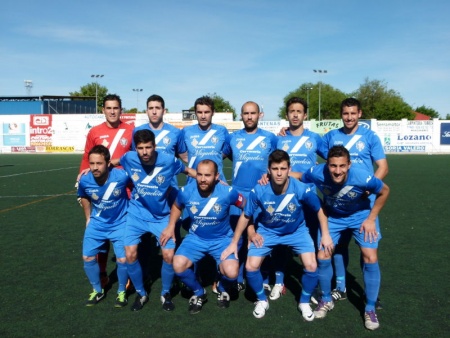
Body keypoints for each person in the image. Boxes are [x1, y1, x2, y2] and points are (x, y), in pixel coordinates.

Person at [221, 150, 333, 320]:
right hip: (268, 231)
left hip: (297, 231)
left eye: (283, 168)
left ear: (289, 169)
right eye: (275, 169)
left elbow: (320, 209)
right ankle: (261, 300)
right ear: (268, 170)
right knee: (251, 267)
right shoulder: (259, 190)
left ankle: (303, 301)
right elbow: (246, 216)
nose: (279, 173)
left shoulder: (301, 189)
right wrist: (234, 242)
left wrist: (325, 234)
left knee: (311, 266)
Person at [301, 145, 389, 330]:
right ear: (327, 164)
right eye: (333, 166)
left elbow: (385, 191)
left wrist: (371, 219)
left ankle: (370, 308)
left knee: (370, 257)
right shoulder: (318, 172)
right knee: (323, 255)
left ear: (349, 164)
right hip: (333, 217)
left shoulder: (362, 176)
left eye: (342, 166)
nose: (337, 171)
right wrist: (268, 176)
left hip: (361, 216)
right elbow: (298, 176)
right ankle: (325, 299)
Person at [113, 129, 196, 312]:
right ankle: (141, 293)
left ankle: (165, 292)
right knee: (130, 254)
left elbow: (189, 171)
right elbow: (115, 162)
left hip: (161, 216)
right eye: (140, 148)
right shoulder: (129, 158)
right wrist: (96, 167)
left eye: (148, 147)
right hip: (137, 214)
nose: (144, 152)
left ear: (154, 146)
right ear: (136, 148)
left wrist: (212, 179)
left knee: (168, 255)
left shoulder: (169, 161)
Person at [320, 98, 388, 306]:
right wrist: (286, 131)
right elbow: (320, 155)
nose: (349, 117)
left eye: (353, 113)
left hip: (362, 204)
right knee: (338, 248)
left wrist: (368, 189)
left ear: (360, 114)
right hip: (336, 205)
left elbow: (383, 166)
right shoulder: (331, 136)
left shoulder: (369, 136)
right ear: (341, 115)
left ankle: (370, 297)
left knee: (366, 250)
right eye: (345, 113)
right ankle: (340, 287)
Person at [160, 159, 245, 314]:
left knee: (232, 272)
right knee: (178, 264)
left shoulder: (228, 192)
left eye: (207, 175)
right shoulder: (186, 191)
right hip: (195, 239)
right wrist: (171, 225)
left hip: (222, 240)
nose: (203, 179)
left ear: (217, 176)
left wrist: (245, 234)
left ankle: (221, 287)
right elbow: (177, 206)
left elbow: (247, 208)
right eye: (199, 174)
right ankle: (199, 292)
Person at [269, 97, 326, 301]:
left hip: (308, 198)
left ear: (305, 115)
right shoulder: (280, 139)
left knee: (310, 242)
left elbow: (333, 161)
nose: (295, 114)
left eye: (299, 111)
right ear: (287, 115)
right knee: (280, 242)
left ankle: (312, 285)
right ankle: (279, 281)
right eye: (291, 111)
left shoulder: (315, 138)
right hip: (283, 198)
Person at [78, 94, 133, 289]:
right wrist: (81, 178)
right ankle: (102, 272)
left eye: (115, 108)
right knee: (101, 232)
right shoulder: (94, 132)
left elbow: (135, 156)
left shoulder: (130, 130)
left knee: (127, 233)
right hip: (101, 189)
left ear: (121, 110)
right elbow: (87, 158)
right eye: (108, 108)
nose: (112, 111)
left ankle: (129, 273)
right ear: (103, 110)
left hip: (125, 188)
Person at [222, 101, 278, 293]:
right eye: (246, 113)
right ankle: (236, 277)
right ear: (241, 115)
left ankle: (262, 277)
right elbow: (224, 157)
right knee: (236, 238)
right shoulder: (233, 138)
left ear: (260, 115)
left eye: (253, 113)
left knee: (260, 237)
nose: (249, 116)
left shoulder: (270, 138)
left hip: (262, 194)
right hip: (238, 194)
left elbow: (278, 161)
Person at [78, 145, 130, 307]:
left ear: (108, 163)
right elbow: (84, 196)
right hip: (97, 224)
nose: (94, 168)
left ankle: (121, 291)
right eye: (91, 163)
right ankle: (98, 289)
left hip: (120, 223)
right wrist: (88, 217)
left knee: (122, 259)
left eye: (99, 163)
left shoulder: (121, 176)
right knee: (87, 257)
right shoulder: (85, 179)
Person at [177, 95, 230, 183]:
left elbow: (224, 153)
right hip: (193, 183)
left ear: (213, 112)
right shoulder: (186, 131)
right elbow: (182, 153)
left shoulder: (222, 131)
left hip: (217, 183)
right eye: (199, 112)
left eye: (207, 112)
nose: (203, 116)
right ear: (195, 113)